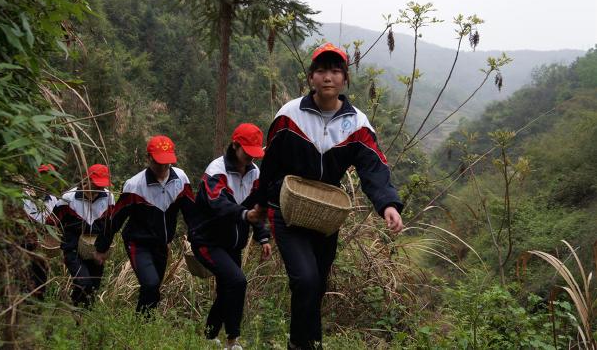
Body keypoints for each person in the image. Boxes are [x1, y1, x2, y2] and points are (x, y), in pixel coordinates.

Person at [258, 43, 404, 350]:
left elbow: (373, 166)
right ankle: (300, 344)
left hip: (325, 216)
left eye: (335, 71)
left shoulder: (357, 124)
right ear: (311, 77)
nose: (328, 77)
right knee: (306, 279)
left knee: (317, 284)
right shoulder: (289, 115)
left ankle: (313, 342)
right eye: (321, 70)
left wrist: (388, 204)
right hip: (288, 209)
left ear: (345, 79)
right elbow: (269, 164)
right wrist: (260, 205)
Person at [183, 123, 272, 350]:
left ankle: (210, 337)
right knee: (237, 282)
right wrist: (244, 214)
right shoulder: (216, 171)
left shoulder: (254, 173)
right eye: (247, 153)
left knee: (227, 288)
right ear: (235, 145)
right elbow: (218, 204)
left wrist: (263, 237)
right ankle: (232, 342)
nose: (250, 159)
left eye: (254, 155)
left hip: (233, 243)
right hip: (206, 240)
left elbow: (258, 206)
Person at [94, 135, 193, 315]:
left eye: (167, 163)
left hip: (162, 244)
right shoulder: (134, 185)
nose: (163, 168)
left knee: (153, 289)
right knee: (150, 283)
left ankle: (142, 325)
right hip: (137, 243)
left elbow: (191, 213)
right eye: (158, 162)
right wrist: (101, 247)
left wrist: (199, 239)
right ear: (148, 158)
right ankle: (141, 325)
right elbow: (115, 219)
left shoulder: (181, 179)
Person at [54, 163, 115, 307]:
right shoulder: (68, 198)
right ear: (85, 179)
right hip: (73, 249)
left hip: (96, 250)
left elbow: (110, 226)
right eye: (95, 185)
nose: (98, 189)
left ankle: (82, 319)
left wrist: (103, 248)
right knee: (83, 282)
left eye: (101, 186)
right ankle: (76, 310)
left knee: (93, 287)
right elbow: (53, 222)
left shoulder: (109, 197)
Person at [21, 163, 59, 298]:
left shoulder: (53, 200)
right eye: (42, 177)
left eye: (50, 178)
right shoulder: (24, 196)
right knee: (23, 271)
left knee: (40, 271)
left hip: (42, 243)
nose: (45, 182)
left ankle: (37, 301)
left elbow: (55, 222)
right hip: (23, 241)